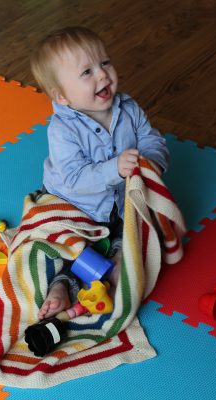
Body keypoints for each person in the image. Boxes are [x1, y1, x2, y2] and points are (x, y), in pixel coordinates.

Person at [30, 26, 169, 320]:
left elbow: (150, 139)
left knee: (145, 231)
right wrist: (114, 169)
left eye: (104, 63)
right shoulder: (62, 130)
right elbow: (74, 179)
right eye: (87, 72)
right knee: (63, 247)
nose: (103, 75)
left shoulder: (128, 108)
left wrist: (153, 162)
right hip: (75, 205)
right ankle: (62, 286)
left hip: (121, 203)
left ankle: (119, 259)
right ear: (63, 96)